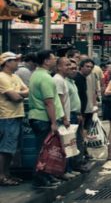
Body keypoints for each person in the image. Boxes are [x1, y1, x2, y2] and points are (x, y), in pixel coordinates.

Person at [28, 50, 64, 188]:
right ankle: (39, 179)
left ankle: (46, 175)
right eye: (53, 58)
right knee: (43, 151)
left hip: (38, 117)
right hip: (43, 119)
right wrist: (54, 122)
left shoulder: (37, 75)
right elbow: (49, 102)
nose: (55, 61)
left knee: (46, 150)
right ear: (46, 61)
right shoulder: (45, 78)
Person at [0, 52, 29, 186]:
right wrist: (19, 93)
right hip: (6, 116)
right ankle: (2, 176)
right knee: (5, 148)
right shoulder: (2, 77)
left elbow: (28, 90)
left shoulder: (15, 77)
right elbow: (16, 97)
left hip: (16, 115)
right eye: (15, 60)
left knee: (11, 149)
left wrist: (18, 93)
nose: (18, 63)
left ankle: (7, 174)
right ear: (6, 62)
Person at [65, 59, 86, 173]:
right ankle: (70, 167)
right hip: (70, 116)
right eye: (71, 68)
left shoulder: (72, 82)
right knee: (70, 143)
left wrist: (79, 113)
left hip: (76, 114)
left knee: (77, 141)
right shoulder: (64, 82)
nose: (74, 71)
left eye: (75, 68)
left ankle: (76, 164)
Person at [74, 59, 95, 161]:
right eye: (87, 66)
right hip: (79, 112)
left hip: (84, 111)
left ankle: (82, 156)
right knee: (79, 137)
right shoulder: (78, 78)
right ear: (81, 67)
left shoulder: (85, 78)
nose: (89, 69)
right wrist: (80, 113)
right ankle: (79, 160)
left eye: (91, 67)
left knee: (82, 136)